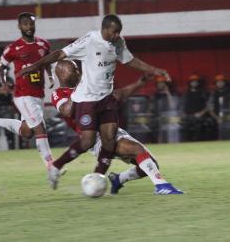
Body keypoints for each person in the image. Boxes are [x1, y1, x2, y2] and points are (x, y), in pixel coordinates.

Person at [17, 14, 170, 189]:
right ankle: (62, 167)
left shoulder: (118, 43)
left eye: (118, 32)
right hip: (92, 119)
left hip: (106, 104)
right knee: (124, 148)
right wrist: (34, 66)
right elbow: (61, 56)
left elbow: (129, 62)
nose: (116, 36)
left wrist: (153, 71)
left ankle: (116, 179)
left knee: (150, 164)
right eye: (113, 32)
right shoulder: (62, 91)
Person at [51, 59, 183, 194]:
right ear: (61, 74)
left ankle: (118, 179)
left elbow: (118, 95)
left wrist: (140, 83)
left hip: (112, 129)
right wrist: (80, 89)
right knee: (137, 149)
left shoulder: (91, 86)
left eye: (78, 69)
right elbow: (66, 111)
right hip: (95, 137)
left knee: (151, 165)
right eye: (73, 70)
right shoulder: (59, 93)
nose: (78, 72)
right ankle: (162, 186)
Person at [0, 12, 55, 169]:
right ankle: (50, 164)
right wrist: (3, 83)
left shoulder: (44, 44)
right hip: (23, 94)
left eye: (31, 23)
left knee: (27, 132)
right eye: (25, 24)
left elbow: (48, 61)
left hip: (38, 94)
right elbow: (2, 65)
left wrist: (51, 76)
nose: (29, 27)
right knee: (39, 127)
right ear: (19, 26)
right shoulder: (13, 48)